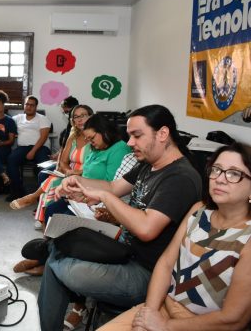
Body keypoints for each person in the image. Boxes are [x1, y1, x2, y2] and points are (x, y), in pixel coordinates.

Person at [38, 104, 203, 331]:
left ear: (163, 134)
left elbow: (146, 228)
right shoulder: (149, 164)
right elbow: (114, 186)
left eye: (136, 135)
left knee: (59, 264)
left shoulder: (180, 177)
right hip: (122, 250)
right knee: (57, 249)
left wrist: (103, 196)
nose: (129, 143)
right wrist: (78, 182)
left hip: (147, 273)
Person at [99, 142, 251, 331]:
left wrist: (166, 326)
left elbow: (233, 319)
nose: (220, 179)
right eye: (217, 169)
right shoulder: (199, 210)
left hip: (201, 325)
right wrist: (149, 314)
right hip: (163, 307)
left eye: (234, 173)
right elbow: (166, 263)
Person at [9, 105, 93, 212]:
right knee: (51, 178)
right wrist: (68, 171)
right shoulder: (73, 137)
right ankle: (41, 210)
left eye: (83, 115)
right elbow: (63, 161)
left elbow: (96, 166)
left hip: (86, 175)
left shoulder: (97, 138)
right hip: (70, 173)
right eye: (76, 117)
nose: (80, 119)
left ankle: (34, 199)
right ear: (73, 121)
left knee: (52, 181)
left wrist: (77, 172)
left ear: (91, 117)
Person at [6, 96, 52, 201]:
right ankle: (18, 191)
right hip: (23, 147)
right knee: (11, 160)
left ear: (36, 107)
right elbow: (5, 121)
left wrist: (33, 151)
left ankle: (41, 195)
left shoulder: (42, 118)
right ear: (24, 105)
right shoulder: (18, 118)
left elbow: (43, 137)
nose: (29, 107)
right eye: (27, 104)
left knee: (44, 165)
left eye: (32, 105)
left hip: (40, 147)